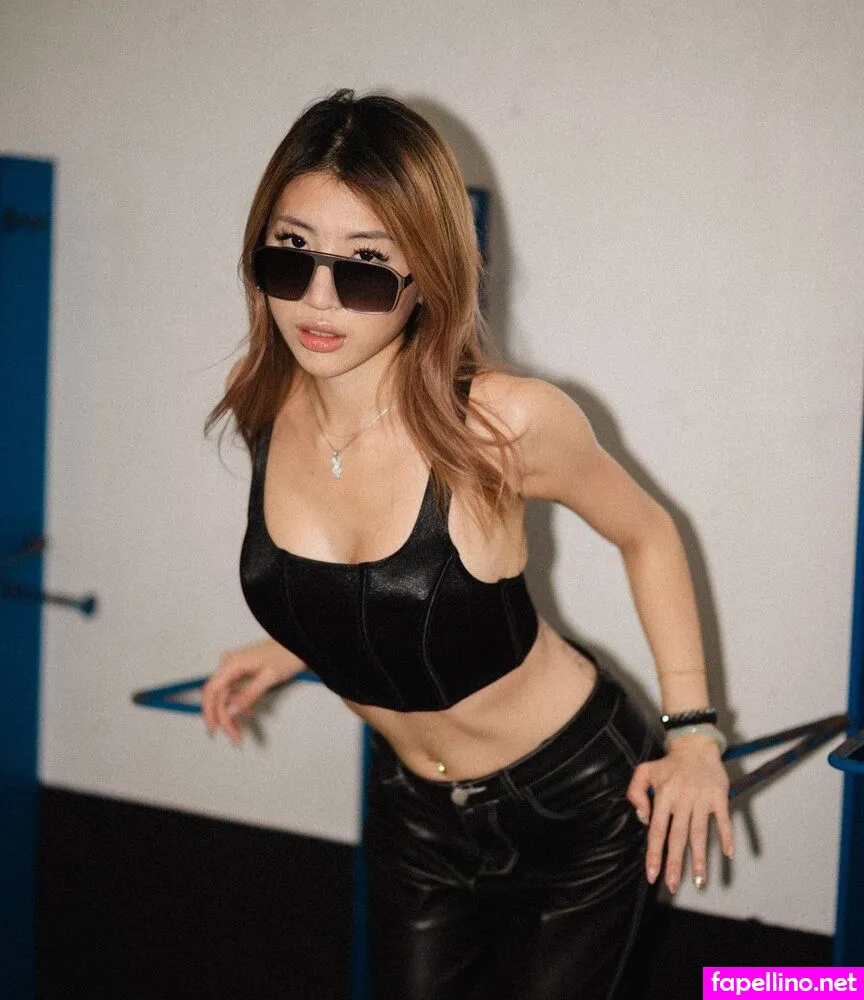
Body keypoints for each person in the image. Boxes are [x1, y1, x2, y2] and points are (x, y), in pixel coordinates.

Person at [201, 89, 733, 1000]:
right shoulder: (265, 406)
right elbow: (375, 589)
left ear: (427, 273)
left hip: (578, 799)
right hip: (415, 812)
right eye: (290, 252)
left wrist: (693, 736)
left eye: (366, 266)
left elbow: (647, 533)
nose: (318, 299)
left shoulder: (502, 423)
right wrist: (293, 646)